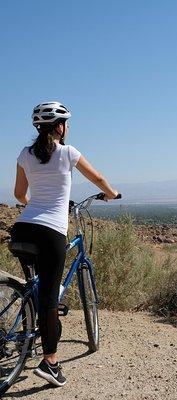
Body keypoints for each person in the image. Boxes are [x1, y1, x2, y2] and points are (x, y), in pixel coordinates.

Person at [10, 101, 119, 387]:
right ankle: (51, 363)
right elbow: (98, 178)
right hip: (50, 233)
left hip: (22, 229)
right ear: (60, 127)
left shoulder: (24, 154)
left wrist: (38, 205)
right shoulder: (68, 153)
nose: (67, 128)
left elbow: (20, 194)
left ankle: (26, 333)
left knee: (35, 287)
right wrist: (113, 193)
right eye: (67, 123)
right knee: (49, 299)